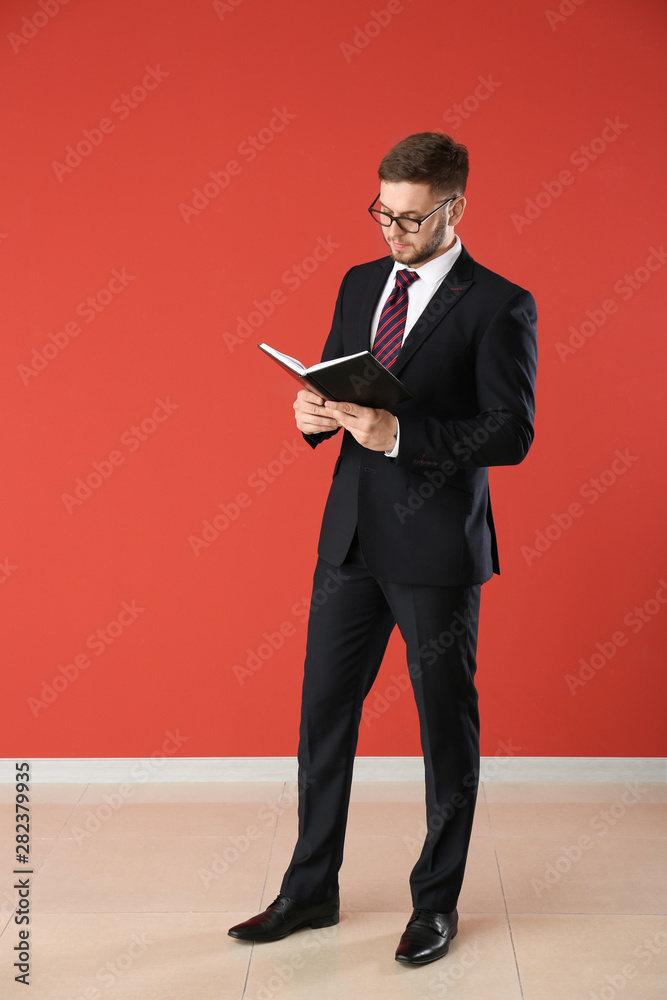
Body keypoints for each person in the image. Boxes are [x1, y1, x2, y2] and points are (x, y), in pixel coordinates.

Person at [228, 132, 538, 965]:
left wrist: (402, 434)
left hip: (437, 547)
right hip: (351, 538)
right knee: (322, 717)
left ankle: (434, 905)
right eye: (381, 214)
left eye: (408, 219)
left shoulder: (499, 303)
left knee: (445, 729)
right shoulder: (360, 281)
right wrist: (308, 418)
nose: (390, 233)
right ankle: (309, 890)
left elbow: (511, 432)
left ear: (453, 208)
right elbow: (338, 381)